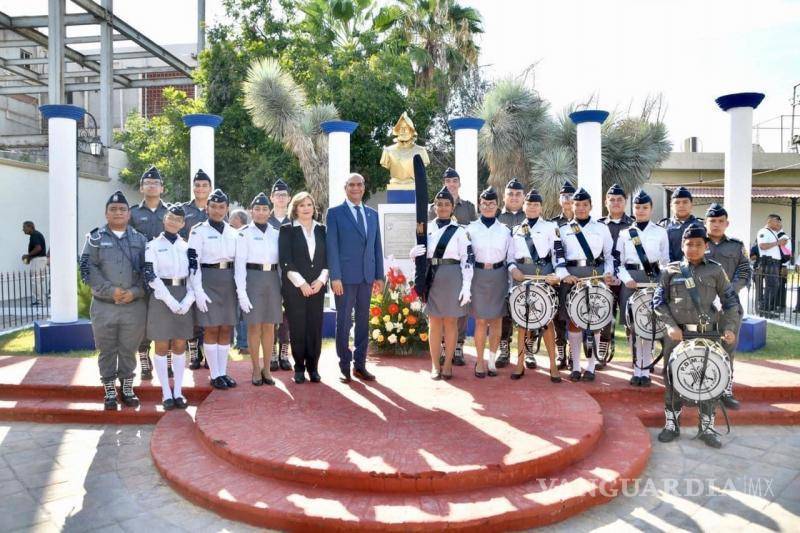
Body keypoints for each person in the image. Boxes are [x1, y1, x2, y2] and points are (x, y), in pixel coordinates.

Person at [654, 225, 741, 449]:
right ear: (682, 246)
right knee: (673, 379)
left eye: (698, 244)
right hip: (677, 336)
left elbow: (731, 302)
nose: (693, 248)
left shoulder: (715, 270)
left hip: (708, 334)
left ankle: (707, 427)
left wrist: (730, 327)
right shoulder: (670, 271)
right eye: (689, 244)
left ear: (706, 246)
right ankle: (672, 425)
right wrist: (670, 326)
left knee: (708, 379)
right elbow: (658, 303)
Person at [79, 191, 147, 410]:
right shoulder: (95, 239)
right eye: (113, 209)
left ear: (129, 214)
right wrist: (111, 291)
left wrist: (135, 292)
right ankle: (109, 390)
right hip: (104, 306)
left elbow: (148, 271)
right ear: (106, 213)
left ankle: (127, 388)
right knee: (107, 349)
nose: (118, 212)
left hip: (133, 306)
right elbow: (88, 268)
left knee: (128, 349)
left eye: (122, 209)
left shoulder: (140, 239)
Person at [409, 186, 473, 379]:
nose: (443, 207)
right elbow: (422, 256)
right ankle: (435, 365)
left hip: (453, 276)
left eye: (447, 204)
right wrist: (414, 255)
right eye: (439, 204)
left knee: (451, 322)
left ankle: (448, 365)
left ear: (452, 208)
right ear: (434, 207)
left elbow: (467, 259)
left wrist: (467, 286)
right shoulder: (424, 228)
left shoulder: (460, 231)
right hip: (432, 277)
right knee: (434, 323)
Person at [327, 173, 384, 383]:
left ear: (364, 187)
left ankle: (360, 365)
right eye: (351, 185)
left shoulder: (372, 214)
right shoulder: (334, 214)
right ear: (345, 188)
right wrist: (335, 276)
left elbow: (376, 247)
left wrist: (379, 275)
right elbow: (332, 248)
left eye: (359, 184)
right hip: (344, 279)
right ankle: (344, 366)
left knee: (363, 322)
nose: (356, 188)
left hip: (367, 278)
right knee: (343, 322)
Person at [555, 188, 614, 382]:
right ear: (571, 206)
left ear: (591, 206)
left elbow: (609, 256)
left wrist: (608, 273)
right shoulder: (563, 230)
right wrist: (564, 275)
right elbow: (558, 257)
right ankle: (576, 365)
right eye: (577, 204)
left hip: (594, 276)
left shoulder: (601, 228)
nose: (580, 208)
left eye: (584, 205)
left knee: (595, 320)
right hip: (572, 278)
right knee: (574, 322)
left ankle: (591, 366)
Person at [507, 188, 562, 382]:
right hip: (522, 276)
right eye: (529, 204)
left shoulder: (550, 227)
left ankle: (553, 366)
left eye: (536, 204)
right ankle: (519, 364)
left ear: (541, 207)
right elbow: (511, 257)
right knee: (522, 323)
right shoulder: (515, 230)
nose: (532, 207)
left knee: (546, 322)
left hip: (543, 276)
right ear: (524, 206)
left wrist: (558, 273)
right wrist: (513, 269)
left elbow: (558, 253)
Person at [615, 190, 669, 387]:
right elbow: (617, 263)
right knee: (634, 327)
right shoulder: (624, 233)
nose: (641, 210)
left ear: (651, 209)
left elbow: (665, 261)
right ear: (633, 209)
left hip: (653, 281)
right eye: (637, 207)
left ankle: (645, 370)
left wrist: (661, 281)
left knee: (649, 325)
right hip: (632, 282)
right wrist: (626, 279)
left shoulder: (660, 232)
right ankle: (636, 367)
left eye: (645, 207)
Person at [143, 204, 194, 410]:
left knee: (180, 345)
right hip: (161, 297)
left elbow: (194, 275)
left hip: (183, 295)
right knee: (162, 345)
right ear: (165, 219)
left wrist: (189, 299)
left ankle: (178, 391)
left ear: (183, 224)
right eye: (170, 218)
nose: (174, 222)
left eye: (178, 220)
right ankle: (166, 392)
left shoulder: (188, 246)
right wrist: (171, 301)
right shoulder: (152, 246)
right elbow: (151, 275)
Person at [188, 188, 239, 390]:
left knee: (226, 327)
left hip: (228, 281)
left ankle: (223, 371)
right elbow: (193, 263)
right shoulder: (198, 231)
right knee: (211, 327)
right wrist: (198, 291)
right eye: (213, 206)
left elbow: (239, 262)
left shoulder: (233, 232)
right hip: (207, 279)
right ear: (207, 208)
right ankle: (214, 373)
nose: (217, 210)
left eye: (221, 207)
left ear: (227, 209)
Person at [428, 167, 477, 366]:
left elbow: (471, 234)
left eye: (454, 181)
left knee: (457, 315)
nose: (451, 184)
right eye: (448, 181)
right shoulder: (431, 215)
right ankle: (439, 353)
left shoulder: (468, 207)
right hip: (435, 271)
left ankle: (457, 346)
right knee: (436, 319)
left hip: (456, 267)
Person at [705, 203, 752, 409]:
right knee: (703, 347)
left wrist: (728, 291)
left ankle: (726, 390)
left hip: (729, 306)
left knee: (727, 348)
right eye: (712, 221)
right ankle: (705, 390)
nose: (716, 225)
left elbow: (744, 271)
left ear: (727, 223)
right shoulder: (697, 243)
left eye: (720, 221)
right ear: (706, 222)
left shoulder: (736, 245)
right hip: (703, 305)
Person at [280, 192, 328, 384]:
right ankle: (299, 368)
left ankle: (313, 368)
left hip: (317, 287)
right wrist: (302, 283)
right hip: (295, 288)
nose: (306, 208)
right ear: (295, 208)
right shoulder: (287, 230)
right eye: (302, 205)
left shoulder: (322, 230)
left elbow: (327, 259)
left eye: (309, 204)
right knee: (298, 327)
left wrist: (321, 280)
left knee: (315, 328)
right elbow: (285, 261)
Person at [235, 193, 282, 386]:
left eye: (264, 209)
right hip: (252, 278)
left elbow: (280, 264)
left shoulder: (277, 233)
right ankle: (255, 368)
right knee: (254, 326)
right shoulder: (243, 233)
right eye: (257, 209)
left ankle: (267, 369)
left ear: (269, 211)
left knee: (270, 326)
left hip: (272, 279)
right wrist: (242, 292)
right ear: (251, 211)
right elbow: (239, 265)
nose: (261, 213)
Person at [466, 187, 513, 378]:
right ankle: (479, 361)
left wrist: (510, 282)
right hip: (478, 274)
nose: (487, 207)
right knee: (480, 321)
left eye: (491, 204)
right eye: (484, 203)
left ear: (497, 206)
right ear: (479, 205)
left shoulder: (505, 231)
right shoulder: (470, 228)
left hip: (499, 275)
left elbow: (510, 256)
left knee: (496, 321)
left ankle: (492, 362)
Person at [130, 166, 169, 382]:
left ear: (162, 188)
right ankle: (144, 359)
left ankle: (168, 357)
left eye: (156, 183)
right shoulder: (133, 213)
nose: (152, 186)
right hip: (141, 273)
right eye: (148, 183)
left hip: (166, 274)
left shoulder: (170, 212)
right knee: (143, 317)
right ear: (141, 187)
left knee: (166, 314)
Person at [597, 183, 634, 366]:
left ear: (625, 202)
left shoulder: (634, 224)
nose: (616, 203)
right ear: (606, 202)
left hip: (629, 278)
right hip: (606, 278)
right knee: (604, 315)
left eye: (619, 200)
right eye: (612, 200)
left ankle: (637, 356)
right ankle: (602, 354)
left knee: (631, 316)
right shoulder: (598, 225)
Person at [182, 169, 213, 370]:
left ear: (210, 188)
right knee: (193, 311)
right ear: (193, 188)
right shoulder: (183, 210)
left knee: (209, 310)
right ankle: (194, 351)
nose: (200, 188)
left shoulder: (217, 208)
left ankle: (209, 351)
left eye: (204, 185)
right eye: (197, 185)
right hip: (189, 267)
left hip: (210, 269)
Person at [496, 178, 526, 368]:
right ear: (504, 196)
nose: (514, 197)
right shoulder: (496, 217)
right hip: (501, 273)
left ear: (523, 197)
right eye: (510, 194)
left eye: (518, 194)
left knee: (528, 311)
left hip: (525, 271)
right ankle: (504, 348)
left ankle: (527, 351)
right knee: (504, 312)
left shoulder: (530, 216)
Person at [550, 180, 576, 370]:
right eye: (564, 196)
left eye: (570, 196)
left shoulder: (583, 221)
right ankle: (561, 352)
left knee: (578, 314)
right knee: (558, 316)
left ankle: (576, 355)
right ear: (559, 199)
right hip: (558, 276)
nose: (567, 200)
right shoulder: (553, 223)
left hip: (577, 275)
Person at [267, 179, 293, 372]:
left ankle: (284, 352)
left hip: (291, 274)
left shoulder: (295, 220)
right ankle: (272, 353)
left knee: (288, 316)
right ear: (271, 198)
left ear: (289, 198)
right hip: (270, 274)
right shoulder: (265, 221)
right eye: (278, 195)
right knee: (271, 315)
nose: (281, 198)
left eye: (284, 195)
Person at [756, 214, 790, 317]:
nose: (779, 223)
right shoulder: (764, 232)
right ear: (770, 221)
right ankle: (764, 310)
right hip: (769, 262)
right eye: (777, 221)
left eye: (780, 222)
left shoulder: (773, 233)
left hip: (775, 263)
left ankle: (766, 309)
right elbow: (762, 246)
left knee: (774, 286)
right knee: (771, 286)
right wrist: (778, 242)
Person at [659, 186, 703, 262]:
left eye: (685, 202)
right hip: (669, 270)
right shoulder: (663, 225)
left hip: (696, 270)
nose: (681, 205)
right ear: (671, 206)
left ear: (691, 205)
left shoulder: (701, 225)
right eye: (677, 202)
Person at [229, 209, 251, 356]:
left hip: (244, 279)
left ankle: (244, 343)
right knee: (236, 312)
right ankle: (239, 342)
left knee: (243, 313)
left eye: (233, 218)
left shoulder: (245, 235)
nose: (230, 221)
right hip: (230, 278)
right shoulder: (230, 235)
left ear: (240, 220)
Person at [21, 221, 47, 305]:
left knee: (35, 281)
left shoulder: (34, 235)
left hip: (38, 260)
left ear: (30, 227)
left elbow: (38, 248)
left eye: (24, 227)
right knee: (39, 281)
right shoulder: (36, 234)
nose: (23, 229)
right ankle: (42, 300)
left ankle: (40, 301)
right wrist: (30, 257)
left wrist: (28, 255)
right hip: (41, 259)